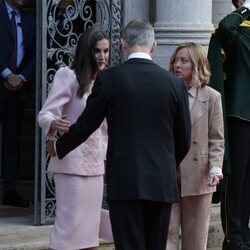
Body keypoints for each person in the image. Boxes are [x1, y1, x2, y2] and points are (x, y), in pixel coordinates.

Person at [46, 19, 192, 250]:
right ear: (154, 45)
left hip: (124, 180)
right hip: (161, 182)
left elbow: (86, 125)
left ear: (124, 45)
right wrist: (165, 164)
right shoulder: (174, 84)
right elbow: (184, 138)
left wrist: (58, 147)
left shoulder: (110, 79)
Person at [37, 27, 110, 250]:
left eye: (106, 51)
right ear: (86, 52)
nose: (102, 56)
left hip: (96, 166)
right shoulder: (67, 75)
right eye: (97, 51)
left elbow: (105, 131)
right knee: (68, 231)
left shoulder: (105, 82)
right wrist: (53, 123)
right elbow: (45, 114)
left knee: (90, 232)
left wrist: (106, 160)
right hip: (70, 162)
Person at [166, 42, 224, 250]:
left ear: (197, 64)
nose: (177, 65)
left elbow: (217, 139)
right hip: (167, 173)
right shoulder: (166, 93)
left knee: (196, 240)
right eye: (175, 60)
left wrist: (215, 168)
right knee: (167, 236)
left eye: (184, 61)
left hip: (199, 175)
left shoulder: (212, 97)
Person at [208, 1, 250, 249]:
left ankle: (244, 231)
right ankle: (233, 234)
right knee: (238, 176)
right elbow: (225, 27)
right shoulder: (235, 26)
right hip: (240, 114)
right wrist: (245, 7)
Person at [0, 0, 36, 207]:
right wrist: (6, 74)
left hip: (18, 90)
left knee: (13, 141)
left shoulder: (31, 20)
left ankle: (11, 191)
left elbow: (36, 53)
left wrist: (21, 76)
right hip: (1, 83)